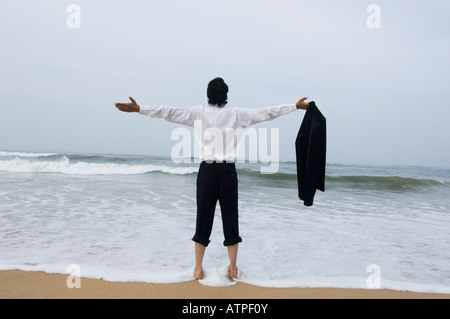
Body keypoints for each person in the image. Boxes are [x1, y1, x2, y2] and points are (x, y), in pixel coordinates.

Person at [115, 77, 309, 280]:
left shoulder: (197, 113)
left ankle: (198, 269)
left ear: (208, 95)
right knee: (230, 219)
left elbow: (167, 112)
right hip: (228, 172)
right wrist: (294, 106)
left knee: (203, 218)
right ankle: (233, 269)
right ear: (226, 96)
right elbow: (267, 112)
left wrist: (140, 109)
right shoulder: (237, 114)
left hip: (207, 172)